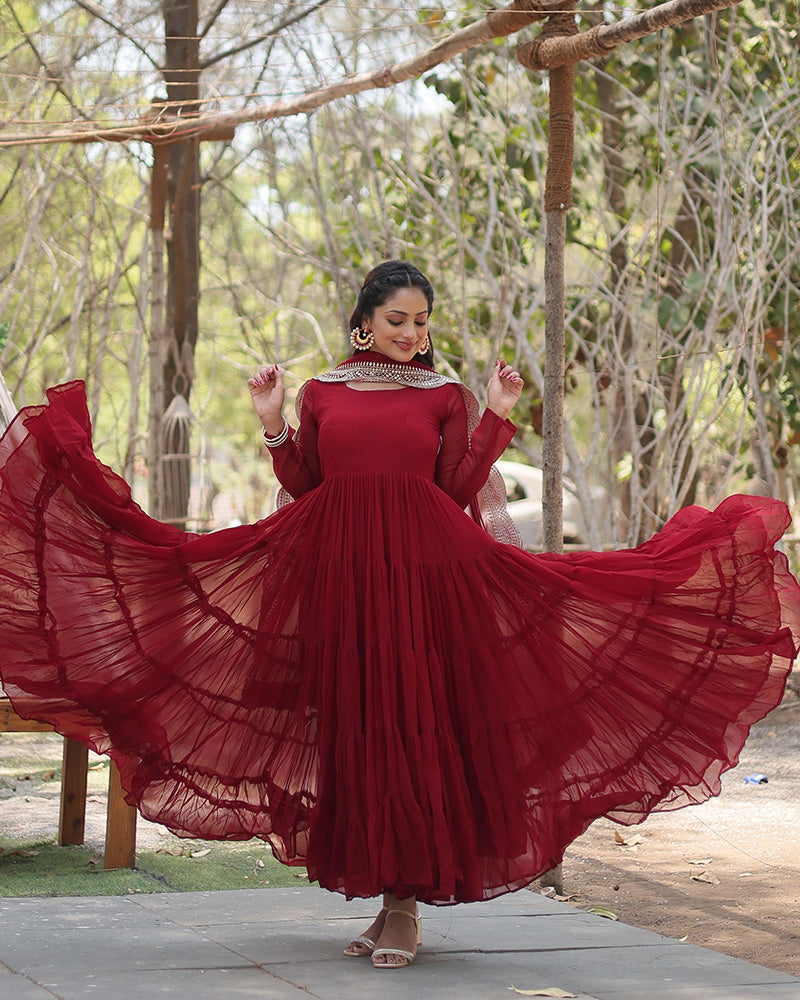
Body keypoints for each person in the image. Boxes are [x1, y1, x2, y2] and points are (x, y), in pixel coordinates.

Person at [0, 260, 798, 972]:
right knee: (359, 732)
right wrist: (274, 419)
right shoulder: (325, 391)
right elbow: (308, 484)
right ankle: (388, 898)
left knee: (414, 728)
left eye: (422, 321)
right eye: (398, 319)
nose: (413, 333)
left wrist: (493, 412)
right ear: (364, 321)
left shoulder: (443, 394)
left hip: (425, 579)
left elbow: (455, 488)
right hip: (341, 579)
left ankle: (407, 907)